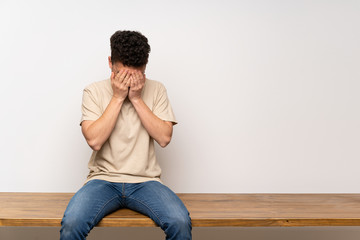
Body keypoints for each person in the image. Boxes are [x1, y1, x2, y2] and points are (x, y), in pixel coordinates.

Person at [60, 30, 192, 240]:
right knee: (72, 223)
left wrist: (137, 99)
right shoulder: (93, 91)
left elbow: (165, 137)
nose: (129, 81)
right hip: (102, 180)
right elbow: (94, 140)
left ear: (145, 68)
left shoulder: (157, 90)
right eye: (123, 73)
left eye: (136, 74)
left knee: (180, 222)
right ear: (111, 62)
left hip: (146, 181)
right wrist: (118, 97)